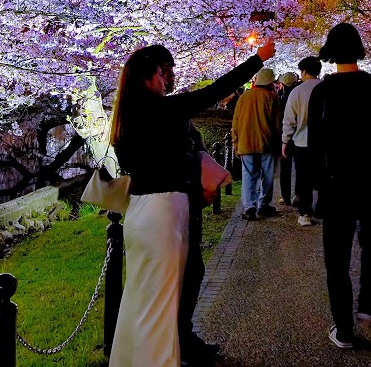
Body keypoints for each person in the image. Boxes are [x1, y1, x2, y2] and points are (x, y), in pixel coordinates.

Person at [111, 40, 275, 367]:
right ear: (146, 78)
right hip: (164, 211)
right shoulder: (159, 109)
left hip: (140, 212)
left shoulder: (125, 117)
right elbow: (214, 92)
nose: (166, 79)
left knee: (143, 295)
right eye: (161, 73)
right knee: (164, 298)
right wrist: (257, 59)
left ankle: (138, 357)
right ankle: (162, 356)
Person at [308, 23, 371, 349]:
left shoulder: (322, 91)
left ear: (330, 53)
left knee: (336, 255)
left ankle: (344, 327)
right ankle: (367, 309)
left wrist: (313, 189)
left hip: (336, 183)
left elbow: (314, 144)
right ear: (360, 49)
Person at [232, 68, 283, 220]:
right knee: (267, 176)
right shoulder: (272, 98)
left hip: (245, 143)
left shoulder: (244, 97)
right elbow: (278, 124)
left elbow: (236, 123)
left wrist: (236, 142)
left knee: (248, 175)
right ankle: (263, 204)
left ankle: (249, 207)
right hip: (266, 143)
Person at [283, 57, 323, 226]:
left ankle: (305, 213)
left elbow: (289, 120)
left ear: (304, 71)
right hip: (324, 142)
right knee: (323, 177)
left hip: (302, 142)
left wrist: (285, 141)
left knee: (304, 178)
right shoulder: (327, 88)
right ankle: (323, 209)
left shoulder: (297, 91)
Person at [276, 72, 299, 207]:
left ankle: (285, 196)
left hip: (285, 135)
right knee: (300, 167)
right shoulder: (298, 94)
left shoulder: (280, 97)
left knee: (285, 167)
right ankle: (298, 194)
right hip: (299, 135)